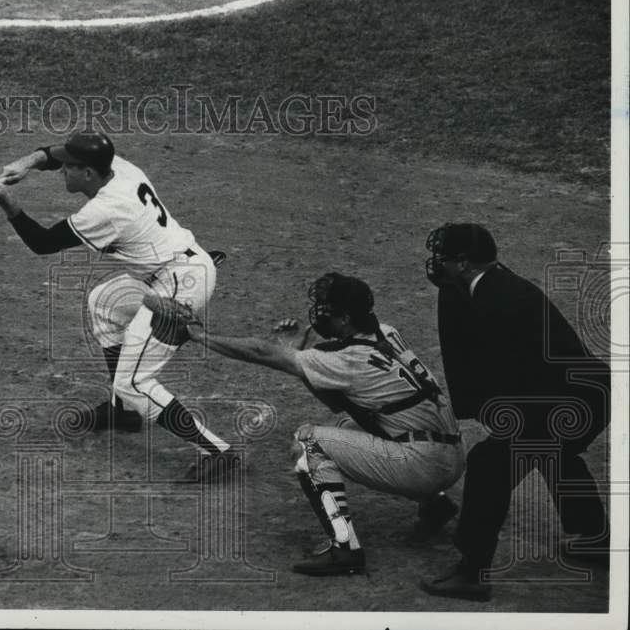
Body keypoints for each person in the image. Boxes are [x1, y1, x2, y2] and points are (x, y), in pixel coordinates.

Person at [167, 272, 465, 575]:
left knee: (308, 445)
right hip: (449, 453)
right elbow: (340, 401)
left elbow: (261, 352)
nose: (319, 315)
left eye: (326, 310)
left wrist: (199, 336)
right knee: (349, 421)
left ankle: (345, 549)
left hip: (423, 465)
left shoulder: (348, 359)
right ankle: (436, 503)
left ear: (346, 318)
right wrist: (298, 357)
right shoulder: (387, 333)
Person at [0, 129, 236, 474]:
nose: (61, 171)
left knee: (133, 382)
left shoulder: (107, 211)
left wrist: (8, 203)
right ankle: (124, 411)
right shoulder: (118, 167)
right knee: (104, 303)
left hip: (179, 286)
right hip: (173, 269)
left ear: (87, 173)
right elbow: (55, 153)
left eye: (68, 167)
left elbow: (42, 243)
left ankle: (217, 452)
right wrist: (27, 162)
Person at [420, 223, 610, 602]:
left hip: (572, 399)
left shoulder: (501, 302)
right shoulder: (482, 284)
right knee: (554, 453)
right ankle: (595, 539)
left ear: (464, 263)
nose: (435, 263)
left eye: (444, 258)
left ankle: (472, 573)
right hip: (577, 391)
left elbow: (524, 384)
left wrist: (506, 429)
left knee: (491, 462)